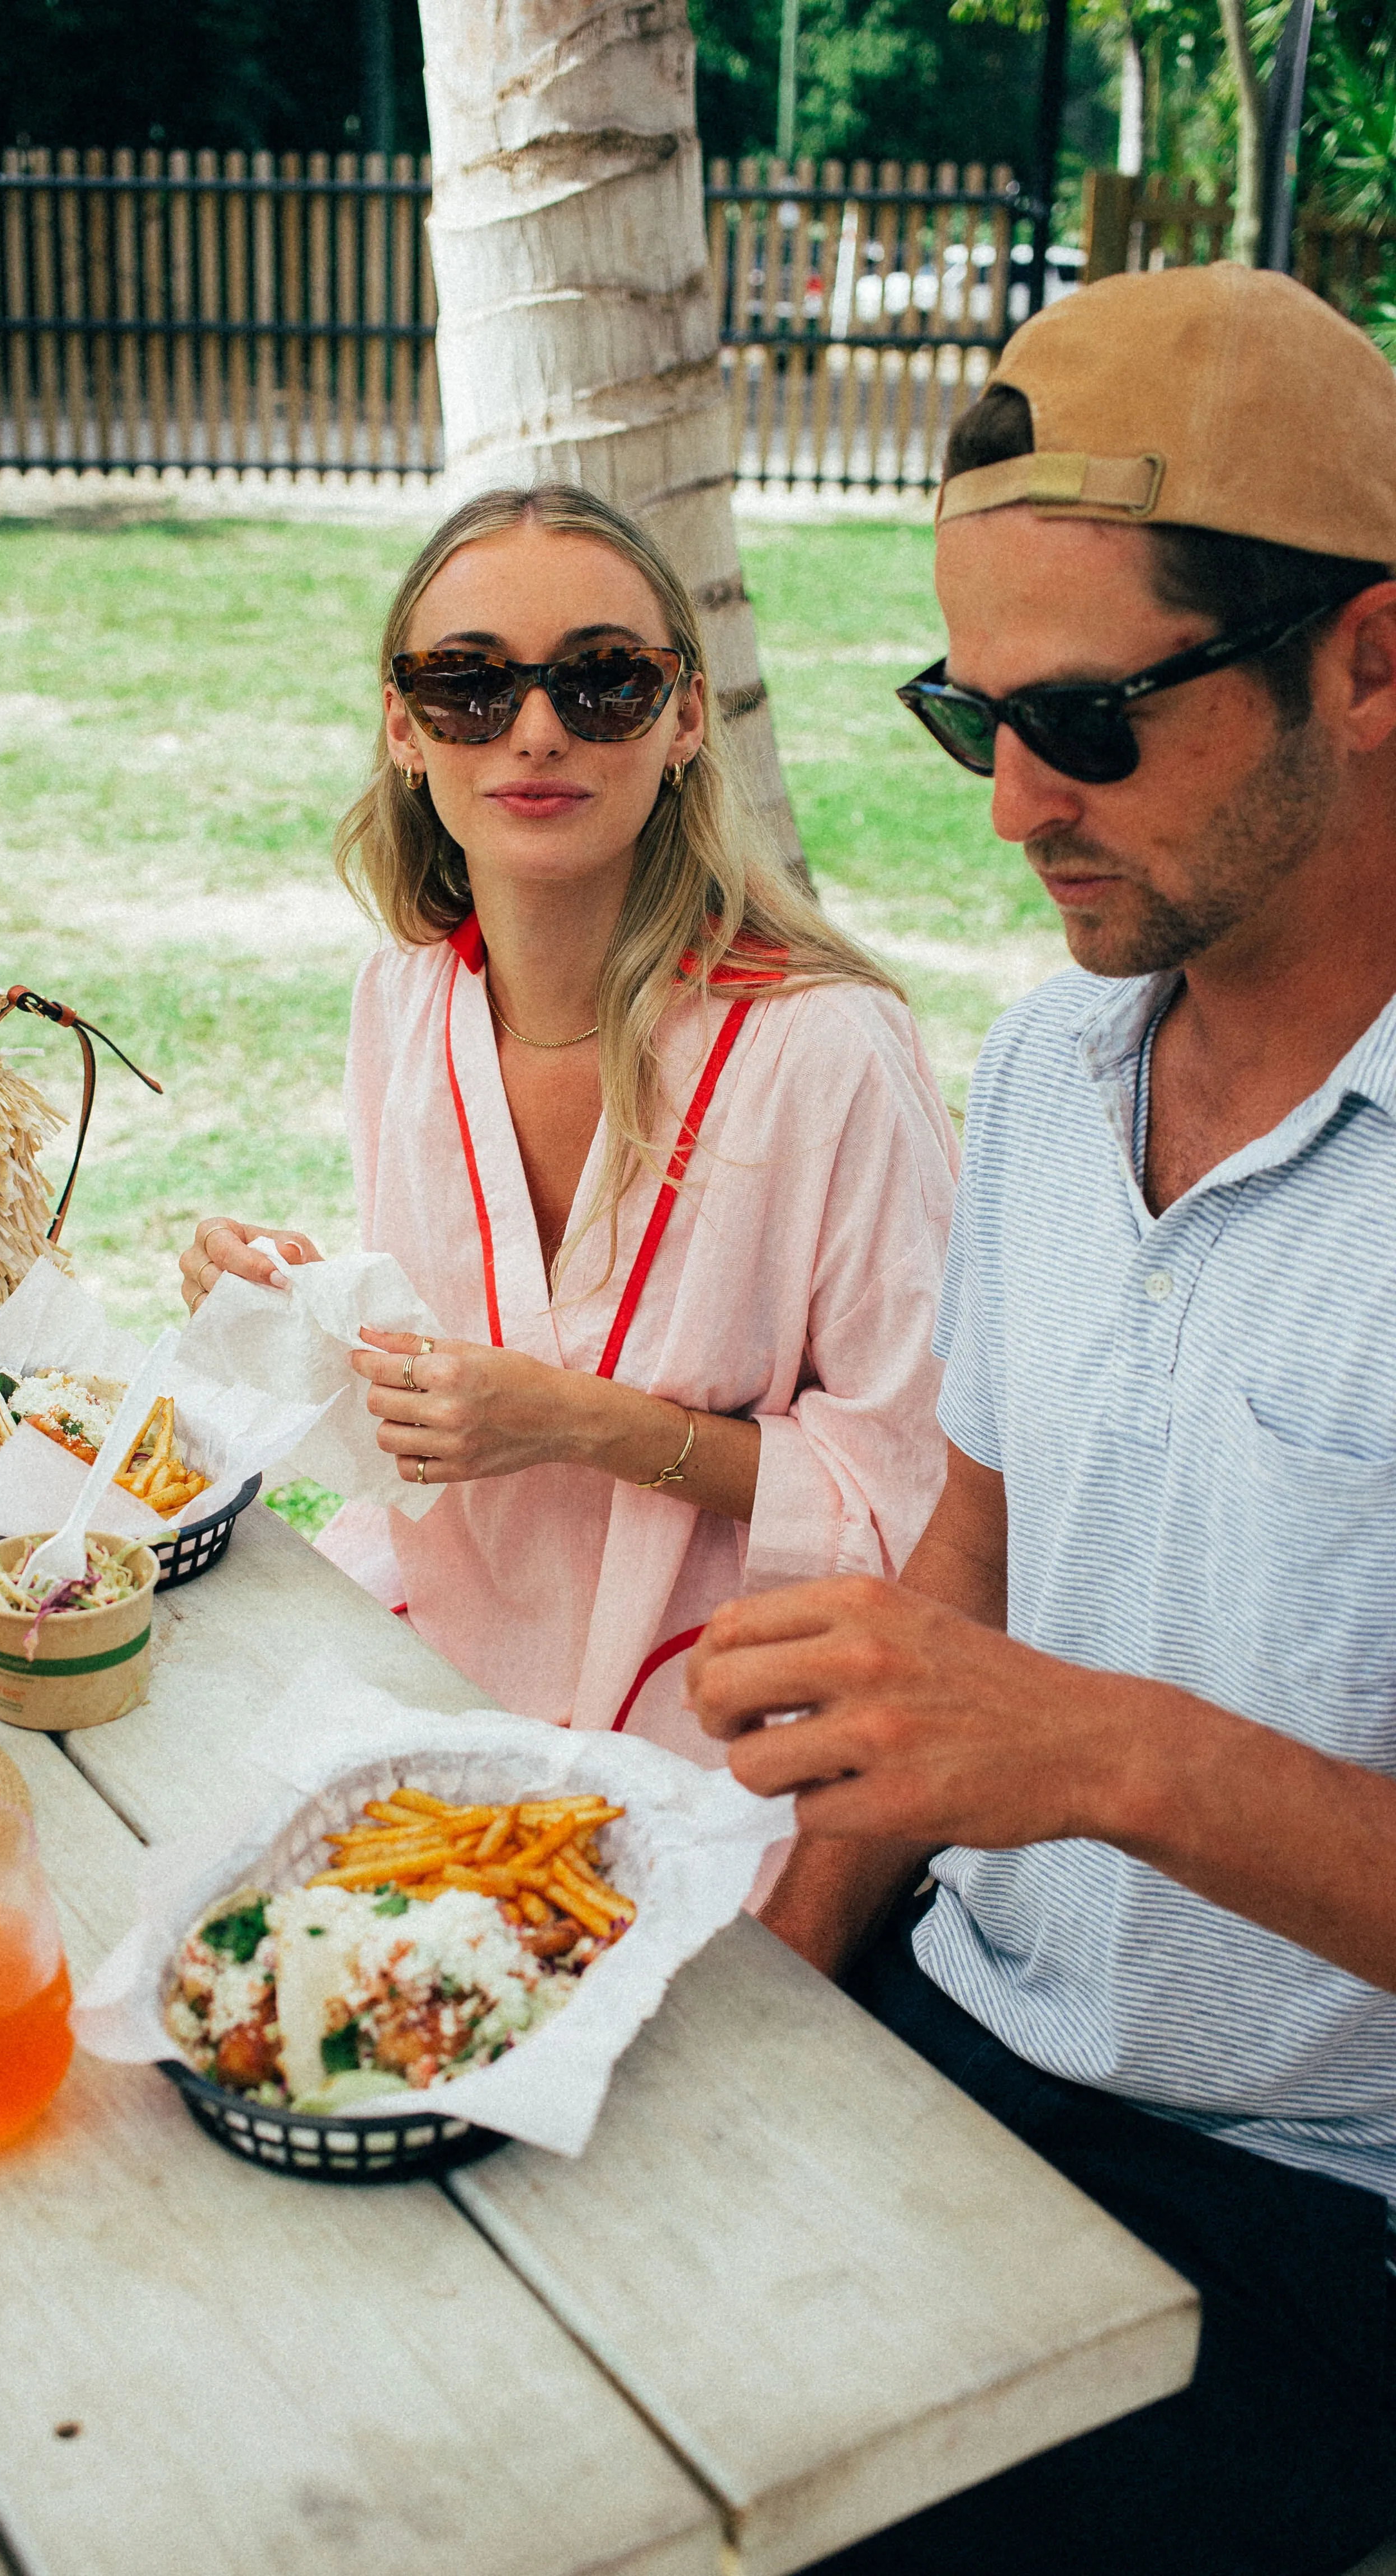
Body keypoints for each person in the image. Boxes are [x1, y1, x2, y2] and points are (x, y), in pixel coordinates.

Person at [687, 263, 1396, 2574]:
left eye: (1083, 719)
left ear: (1370, 661)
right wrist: (773, 1990)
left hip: (1305, 2219)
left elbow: (1046, 1705)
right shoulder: (1053, 1067)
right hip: (946, 2032)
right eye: (960, 711)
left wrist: (1107, 1756)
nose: (1008, 809)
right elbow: (977, 1556)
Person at [180, 484, 958, 1761]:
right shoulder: (403, 1002)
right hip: (433, 1637)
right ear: (405, 730)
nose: (535, 731)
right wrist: (302, 1304)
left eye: (604, 681)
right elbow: (445, 1373)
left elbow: (922, 1494)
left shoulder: (826, 1049)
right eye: (469, 687)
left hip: (738, 1702)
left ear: (687, 716)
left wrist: (584, 1422)